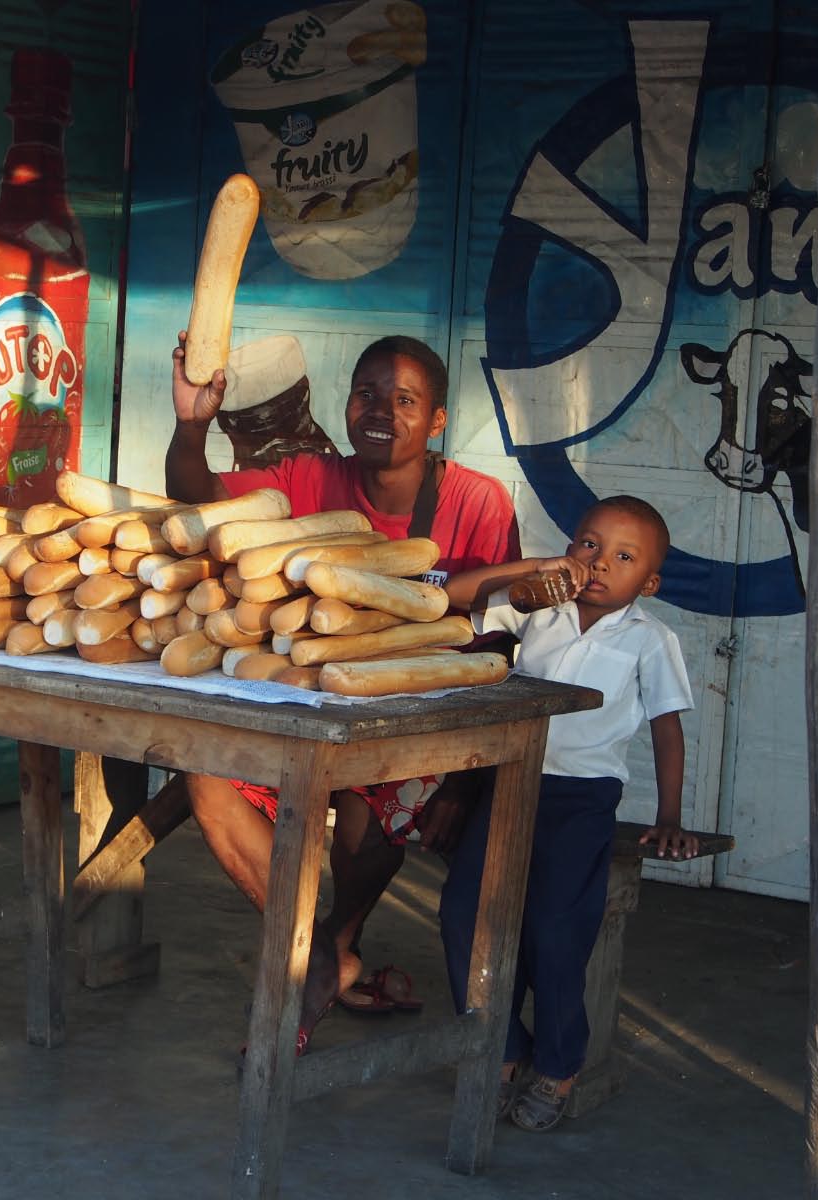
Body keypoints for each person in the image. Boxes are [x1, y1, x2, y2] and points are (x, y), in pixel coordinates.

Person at [166, 330, 522, 1049]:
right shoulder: (307, 480)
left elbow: (503, 644)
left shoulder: (479, 503)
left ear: (439, 420)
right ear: (346, 403)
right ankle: (317, 952)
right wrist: (192, 422)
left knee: (370, 810)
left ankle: (332, 941)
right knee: (205, 776)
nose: (382, 410)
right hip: (304, 710)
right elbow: (196, 501)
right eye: (368, 394)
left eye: (406, 399)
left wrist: (462, 780)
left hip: (422, 734)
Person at [439, 494, 699, 1131]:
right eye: (589, 544)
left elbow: (668, 731)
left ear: (651, 582)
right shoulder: (540, 609)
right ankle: (500, 1049)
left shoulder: (650, 639)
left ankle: (558, 1064)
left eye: (624, 557)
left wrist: (671, 814)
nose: (600, 564)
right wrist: (539, 569)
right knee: (462, 914)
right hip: (507, 782)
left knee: (556, 932)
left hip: (580, 799)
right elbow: (455, 597)